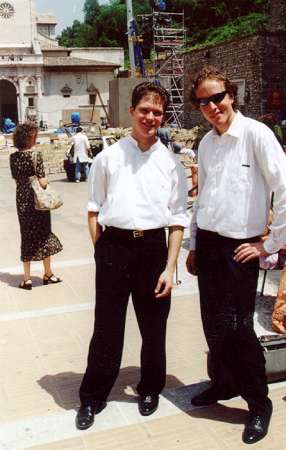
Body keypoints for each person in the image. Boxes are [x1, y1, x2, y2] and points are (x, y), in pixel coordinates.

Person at [186, 66, 286, 445]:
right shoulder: (206, 143)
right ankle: (222, 384)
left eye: (217, 97)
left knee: (238, 328)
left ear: (231, 95)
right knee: (212, 324)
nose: (212, 106)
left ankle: (258, 403)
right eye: (203, 101)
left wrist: (269, 244)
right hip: (209, 243)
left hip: (241, 247)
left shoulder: (255, 135)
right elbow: (201, 197)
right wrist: (193, 244)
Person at [76, 81, 188, 430]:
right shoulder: (108, 157)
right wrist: (102, 253)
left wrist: (171, 267)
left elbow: (177, 219)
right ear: (132, 112)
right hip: (114, 247)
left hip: (153, 250)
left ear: (163, 116)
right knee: (107, 327)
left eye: (157, 112)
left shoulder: (171, 163)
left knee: (154, 327)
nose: (150, 117)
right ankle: (93, 397)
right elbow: (93, 210)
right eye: (144, 110)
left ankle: (150, 388)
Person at [10, 122, 62, 290]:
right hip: (37, 200)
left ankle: (26, 279)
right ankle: (48, 273)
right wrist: (45, 182)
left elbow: (16, 178)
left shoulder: (13, 157)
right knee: (44, 233)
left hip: (22, 199)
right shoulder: (36, 155)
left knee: (26, 235)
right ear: (30, 137)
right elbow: (43, 182)